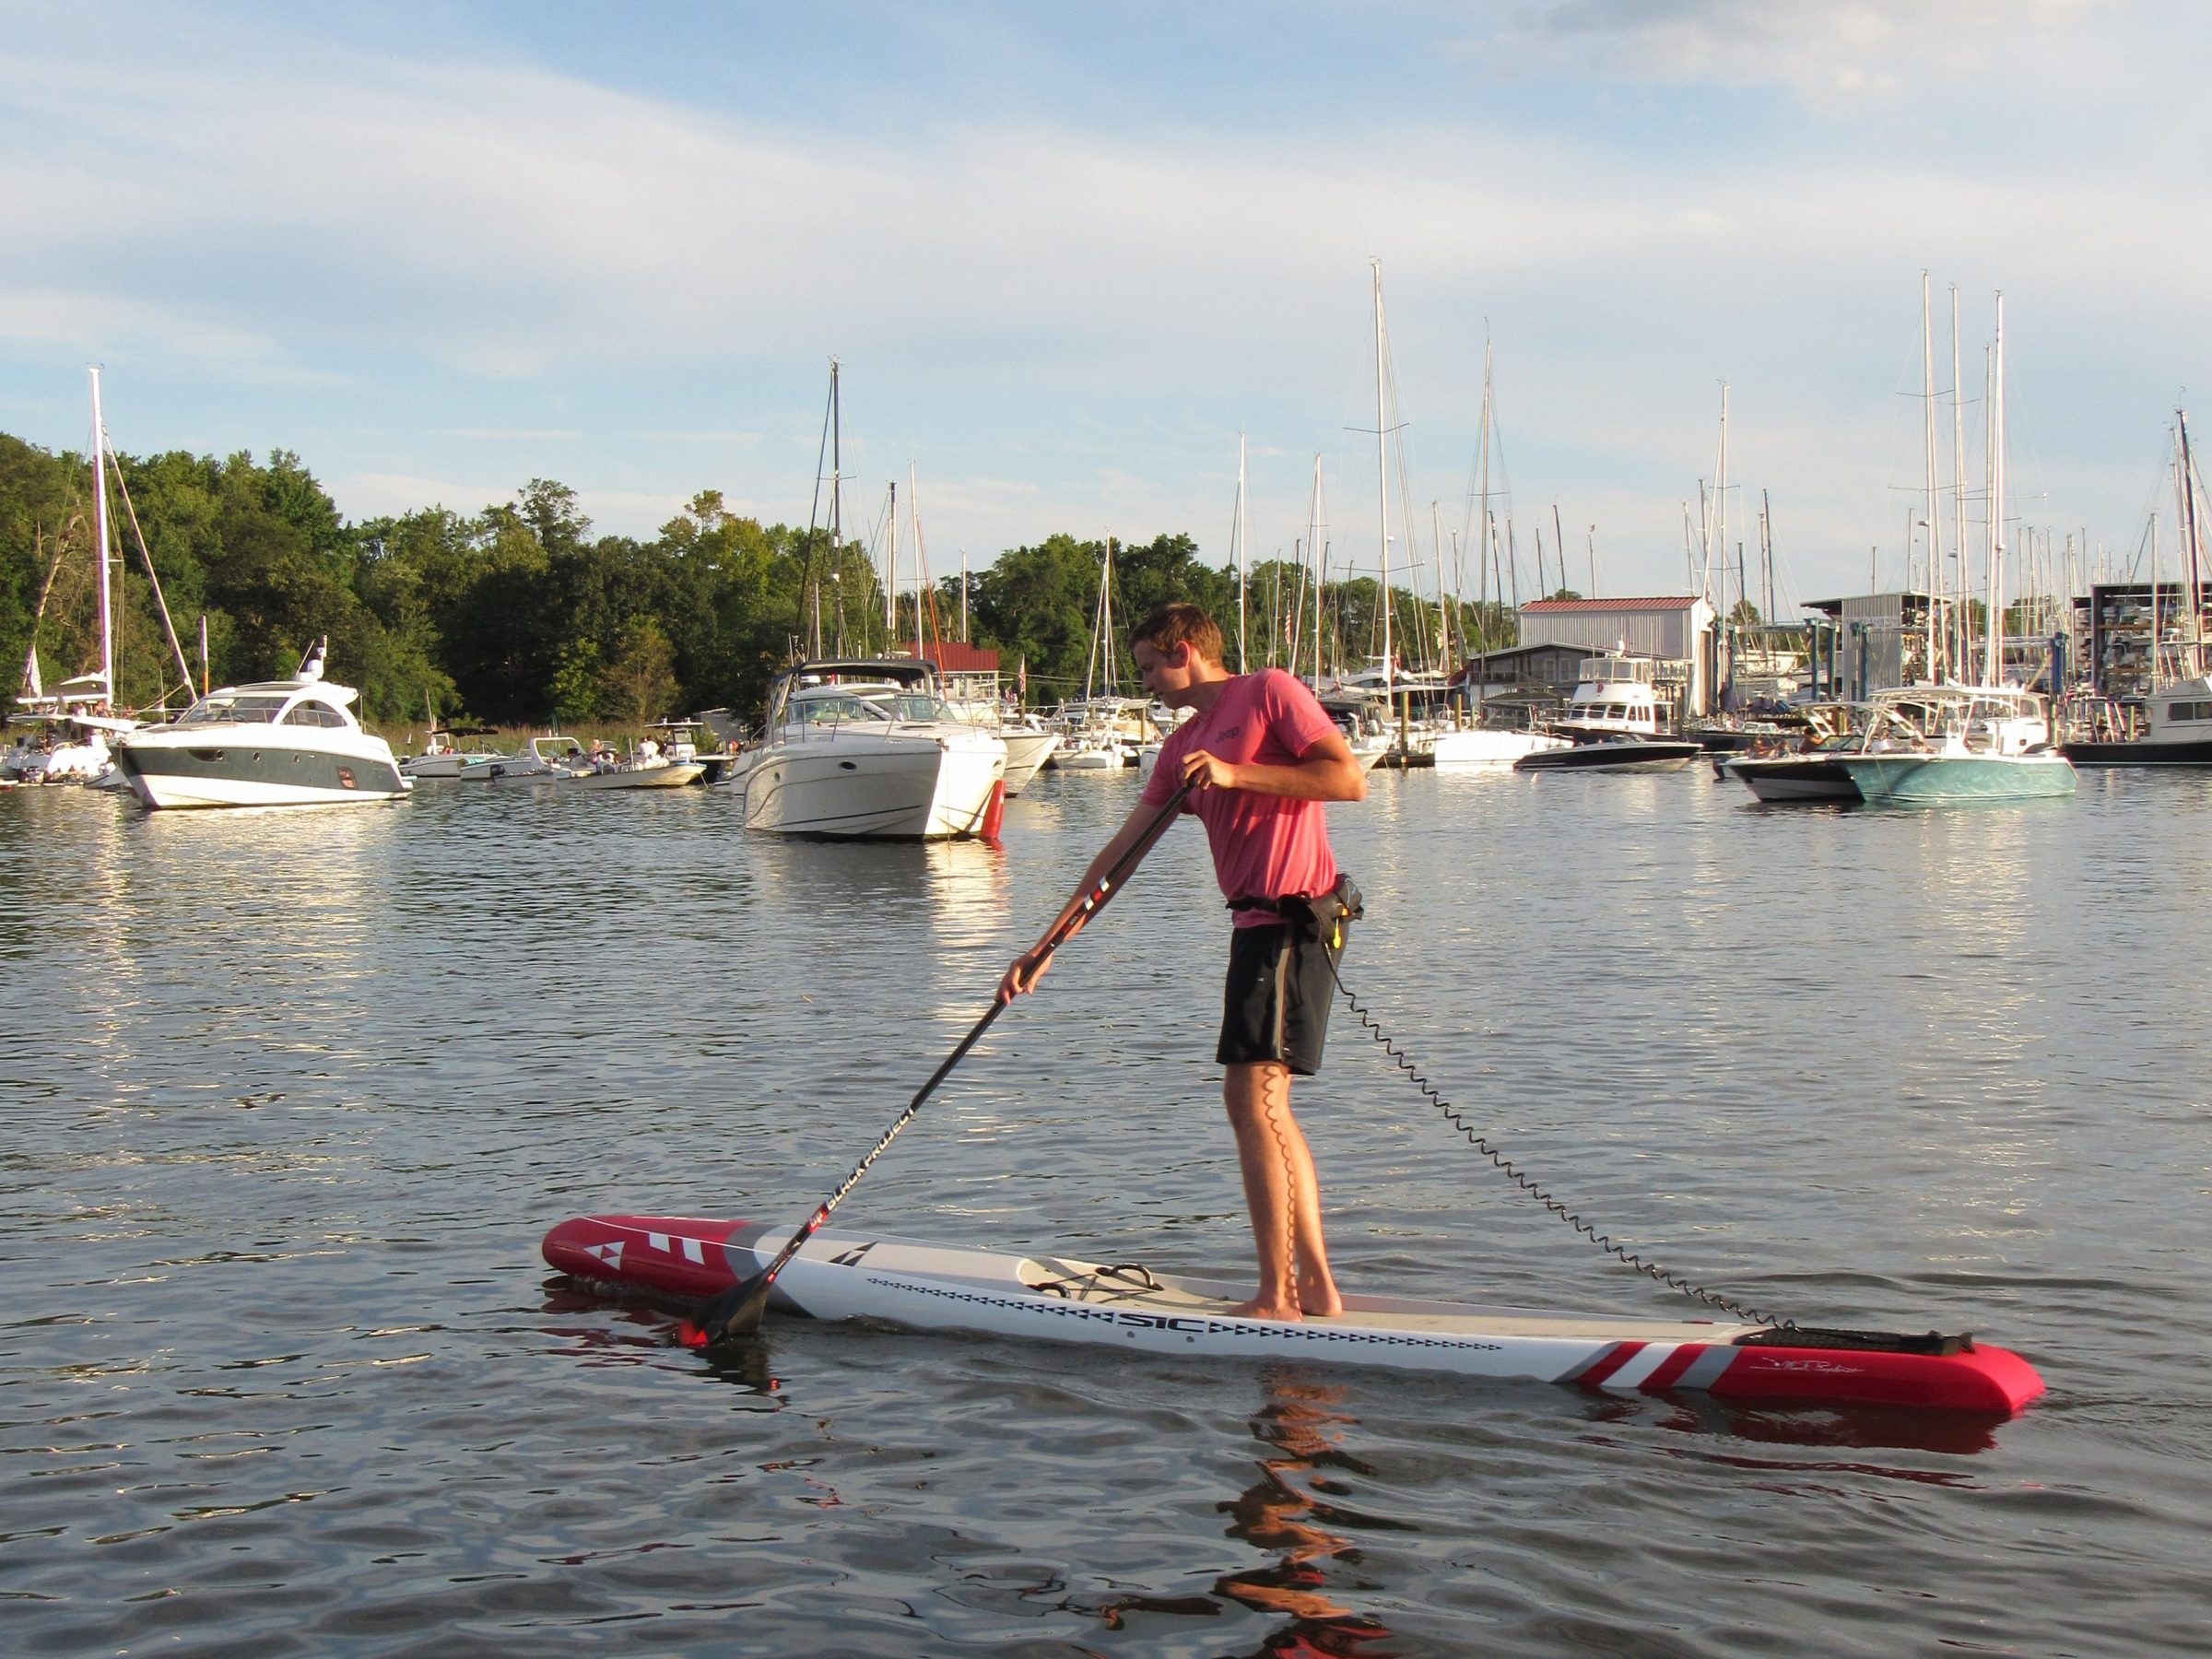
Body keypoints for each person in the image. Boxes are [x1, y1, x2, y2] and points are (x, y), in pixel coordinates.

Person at [997, 603, 1368, 1321]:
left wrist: (1236, 775)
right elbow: (1117, 861)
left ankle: (1278, 1297)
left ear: (1186, 650)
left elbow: (1346, 779)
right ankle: (1313, 1290)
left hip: (1298, 920)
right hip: (1253, 929)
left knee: (1254, 1103)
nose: (1146, 686)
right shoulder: (1181, 751)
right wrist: (1044, 947)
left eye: (1147, 668)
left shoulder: (1268, 692)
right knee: (1262, 1107)